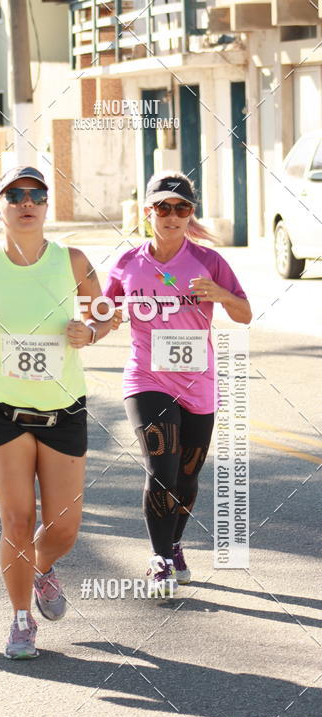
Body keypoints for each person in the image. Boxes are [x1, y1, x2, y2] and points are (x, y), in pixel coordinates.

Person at [0, 166, 121, 659]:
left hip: (63, 406)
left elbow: (106, 312)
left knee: (64, 526)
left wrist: (91, 331)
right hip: (2, 406)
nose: (27, 202)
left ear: (46, 207)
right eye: (15, 195)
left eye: (36, 196)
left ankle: (41, 567)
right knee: (17, 521)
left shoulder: (74, 260)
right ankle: (21, 620)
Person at [104, 171, 251, 596]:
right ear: (148, 212)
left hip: (198, 383)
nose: (172, 215)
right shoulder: (127, 263)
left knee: (187, 476)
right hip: (147, 378)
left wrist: (220, 296)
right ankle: (160, 559)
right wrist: (104, 318)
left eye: (181, 208)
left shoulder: (210, 262)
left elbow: (244, 314)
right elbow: (101, 310)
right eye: (163, 207)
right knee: (161, 467)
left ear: (191, 214)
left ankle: (174, 542)